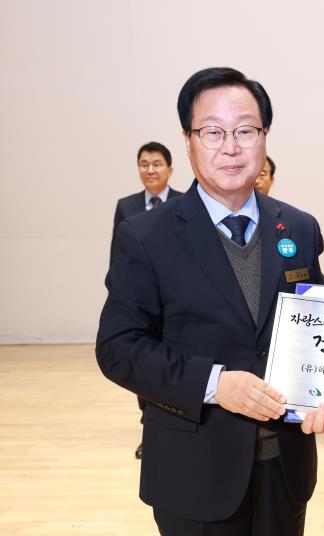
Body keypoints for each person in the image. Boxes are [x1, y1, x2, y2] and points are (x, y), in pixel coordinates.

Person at [97, 67, 324, 536]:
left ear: (264, 137)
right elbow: (117, 348)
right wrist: (213, 384)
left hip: (285, 467)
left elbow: (315, 321)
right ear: (188, 140)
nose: (231, 147)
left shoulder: (298, 226)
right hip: (194, 471)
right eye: (212, 132)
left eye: (245, 131)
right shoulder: (145, 236)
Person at [109, 141, 182, 459]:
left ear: (170, 169)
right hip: (140, 300)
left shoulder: (184, 203)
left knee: (172, 362)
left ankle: (172, 424)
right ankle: (148, 427)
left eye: (156, 164)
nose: (150, 170)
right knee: (143, 363)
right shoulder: (126, 206)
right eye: (144, 164)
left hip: (175, 299)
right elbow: (118, 254)